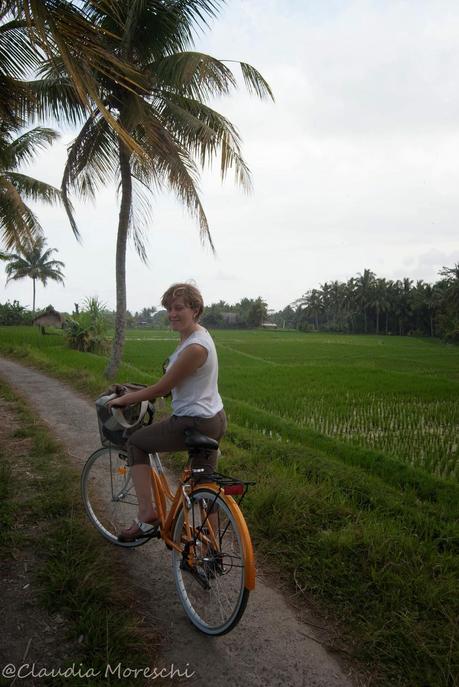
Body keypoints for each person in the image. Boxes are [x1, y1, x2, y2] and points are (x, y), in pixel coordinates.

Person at [107, 283, 227, 542]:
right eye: (169, 308)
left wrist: (127, 398)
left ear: (195, 309)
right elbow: (179, 383)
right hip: (213, 417)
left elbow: (163, 387)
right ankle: (213, 548)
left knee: (137, 442)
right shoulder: (196, 335)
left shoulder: (195, 347)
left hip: (194, 421)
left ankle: (146, 513)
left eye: (179, 308)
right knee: (203, 485)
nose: (172, 313)